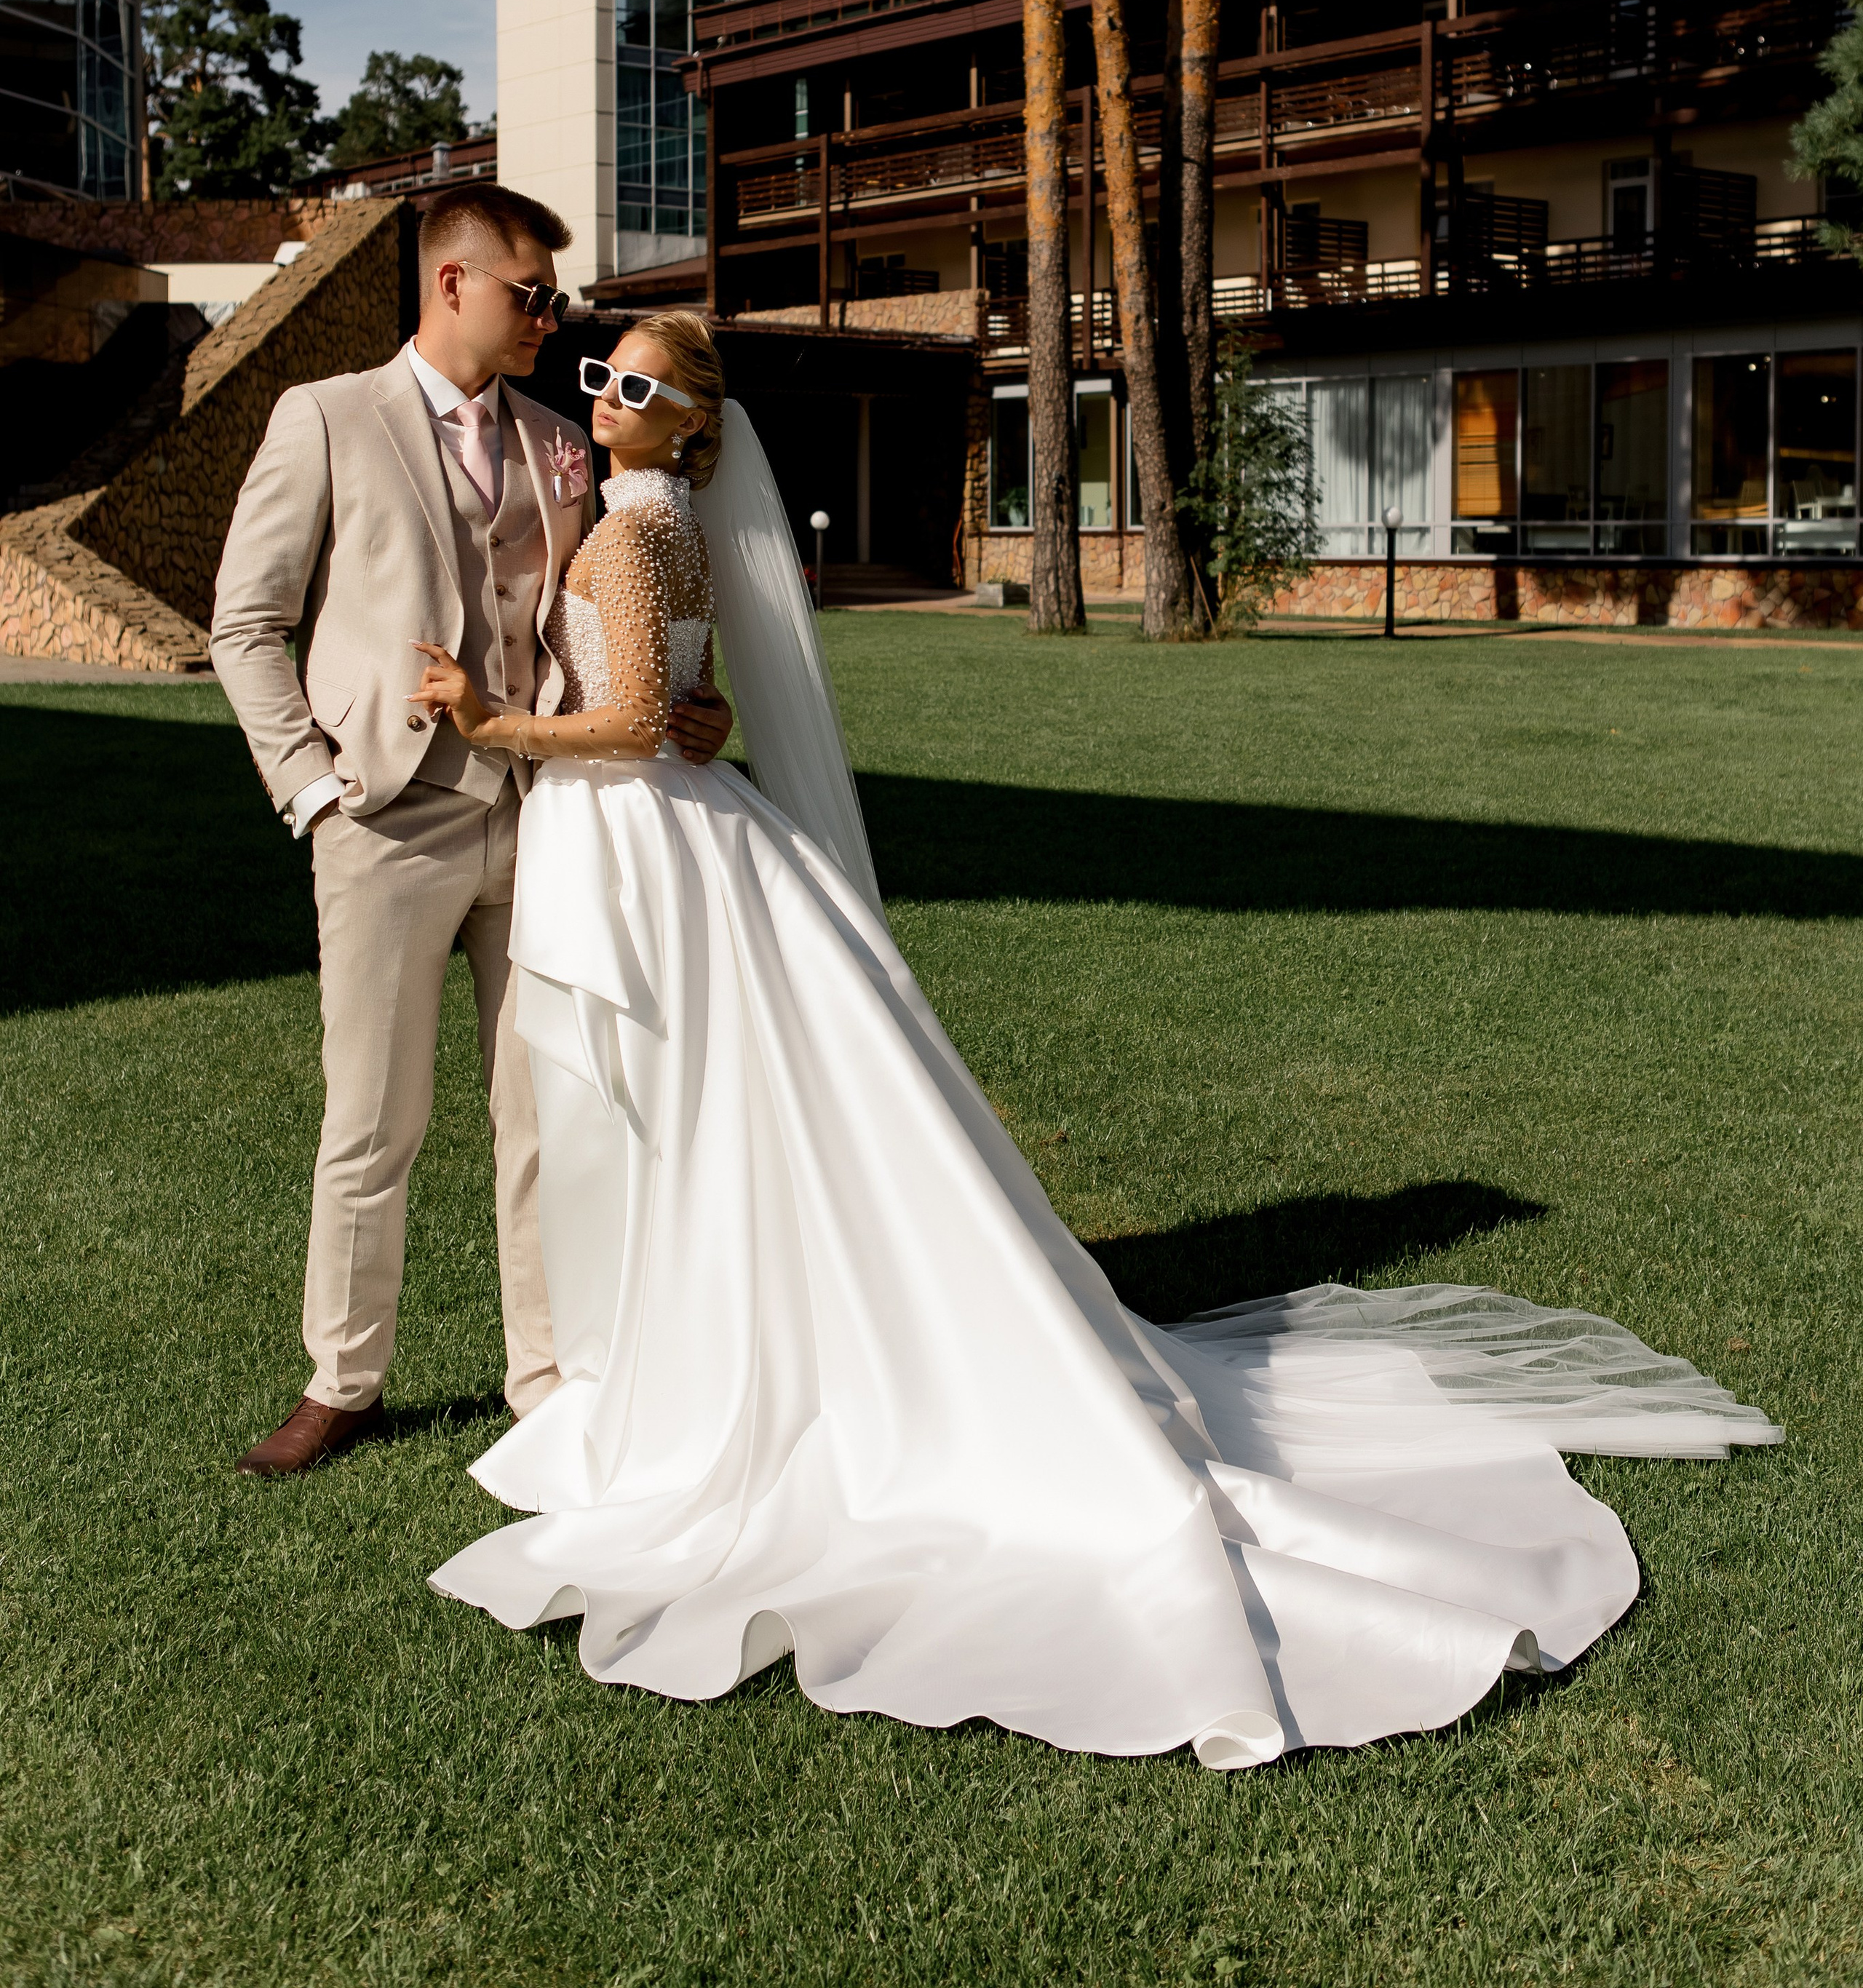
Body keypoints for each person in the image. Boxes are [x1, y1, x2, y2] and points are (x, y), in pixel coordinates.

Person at [411, 313, 1780, 1771]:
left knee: (692, 1127)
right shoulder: (667, 521)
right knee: (721, 1126)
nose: (602, 398)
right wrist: (685, 705)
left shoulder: (628, 533)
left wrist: (490, 719)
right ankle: (699, 1361)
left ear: (688, 423)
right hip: (687, 842)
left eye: (633, 385)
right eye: (596, 377)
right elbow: (676, 697)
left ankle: (712, 1391)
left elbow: (627, 719)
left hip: (648, 842)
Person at [209, 193, 734, 1479]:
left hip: (544, 823)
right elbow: (244, 624)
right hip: (382, 823)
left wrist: (685, 704)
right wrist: (314, 788)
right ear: (452, 283)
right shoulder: (324, 417)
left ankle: (545, 1377)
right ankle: (343, 1378)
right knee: (373, 1119)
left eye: (553, 300)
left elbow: (606, 633)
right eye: (530, 296)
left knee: (539, 1115)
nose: (551, 320)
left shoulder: (566, 443)